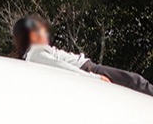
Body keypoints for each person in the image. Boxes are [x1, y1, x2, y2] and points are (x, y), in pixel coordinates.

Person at [11, 16, 153, 97]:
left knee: (134, 82)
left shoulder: (35, 52)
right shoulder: (36, 52)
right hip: (89, 69)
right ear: (32, 34)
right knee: (135, 81)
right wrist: (94, 77)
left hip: (89, 68)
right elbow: (62, 67)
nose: (44, 33)